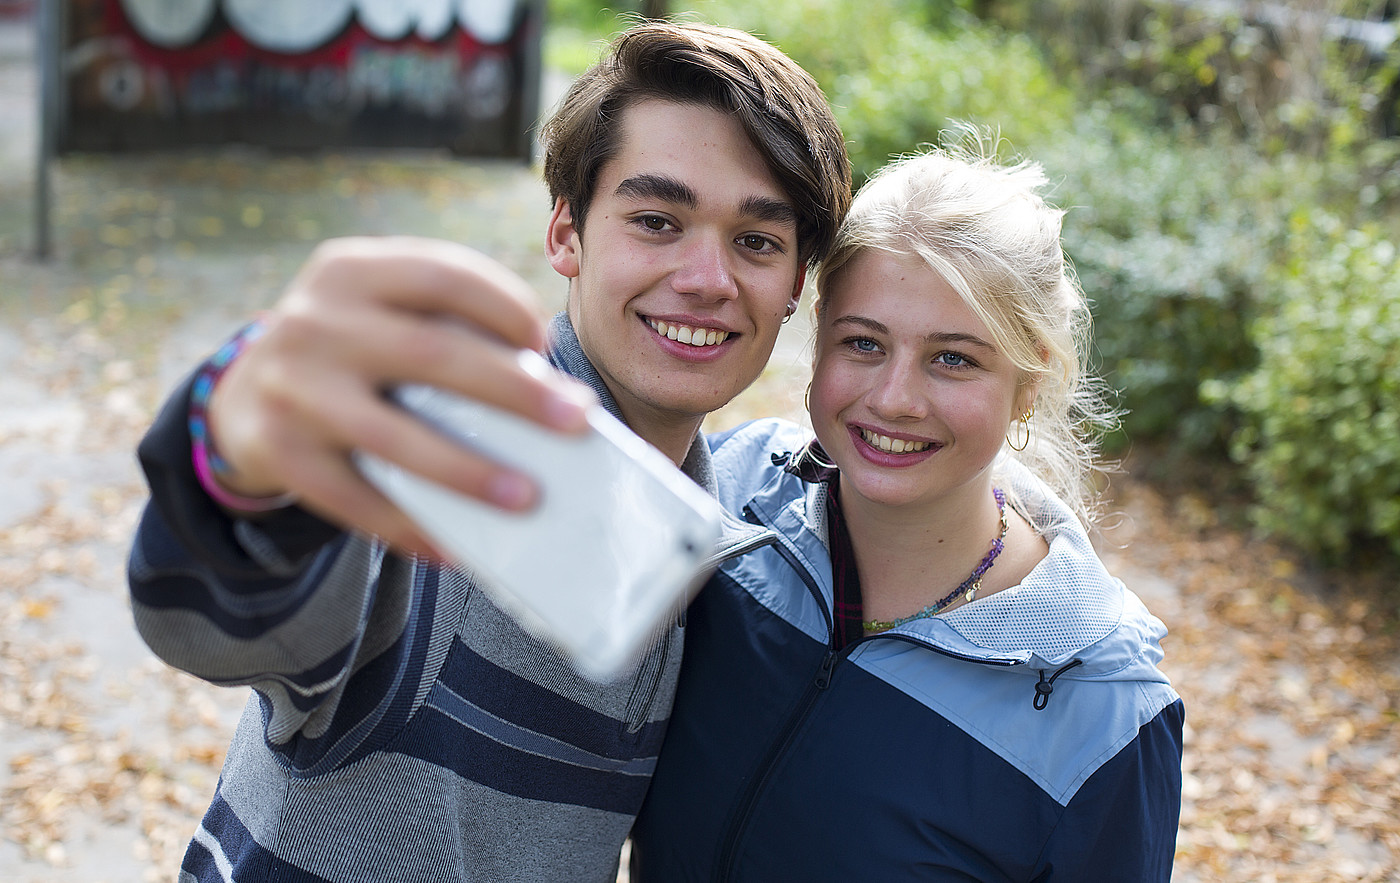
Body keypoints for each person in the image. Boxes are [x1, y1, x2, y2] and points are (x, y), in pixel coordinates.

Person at [126, 21, 851, 882]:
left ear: (796, 283)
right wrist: (235, 451)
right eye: (656, 220)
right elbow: (215, 621)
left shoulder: (715, 516)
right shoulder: (454, 461)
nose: (707, 277)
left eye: (757, 241)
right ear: (566, 234)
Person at [629, 143, 1185, 881]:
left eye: (953, 358)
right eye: (864, 342)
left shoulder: (1104, 713)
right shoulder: (725, 499)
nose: (894, 398)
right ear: (819, 332)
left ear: (1029, 381)